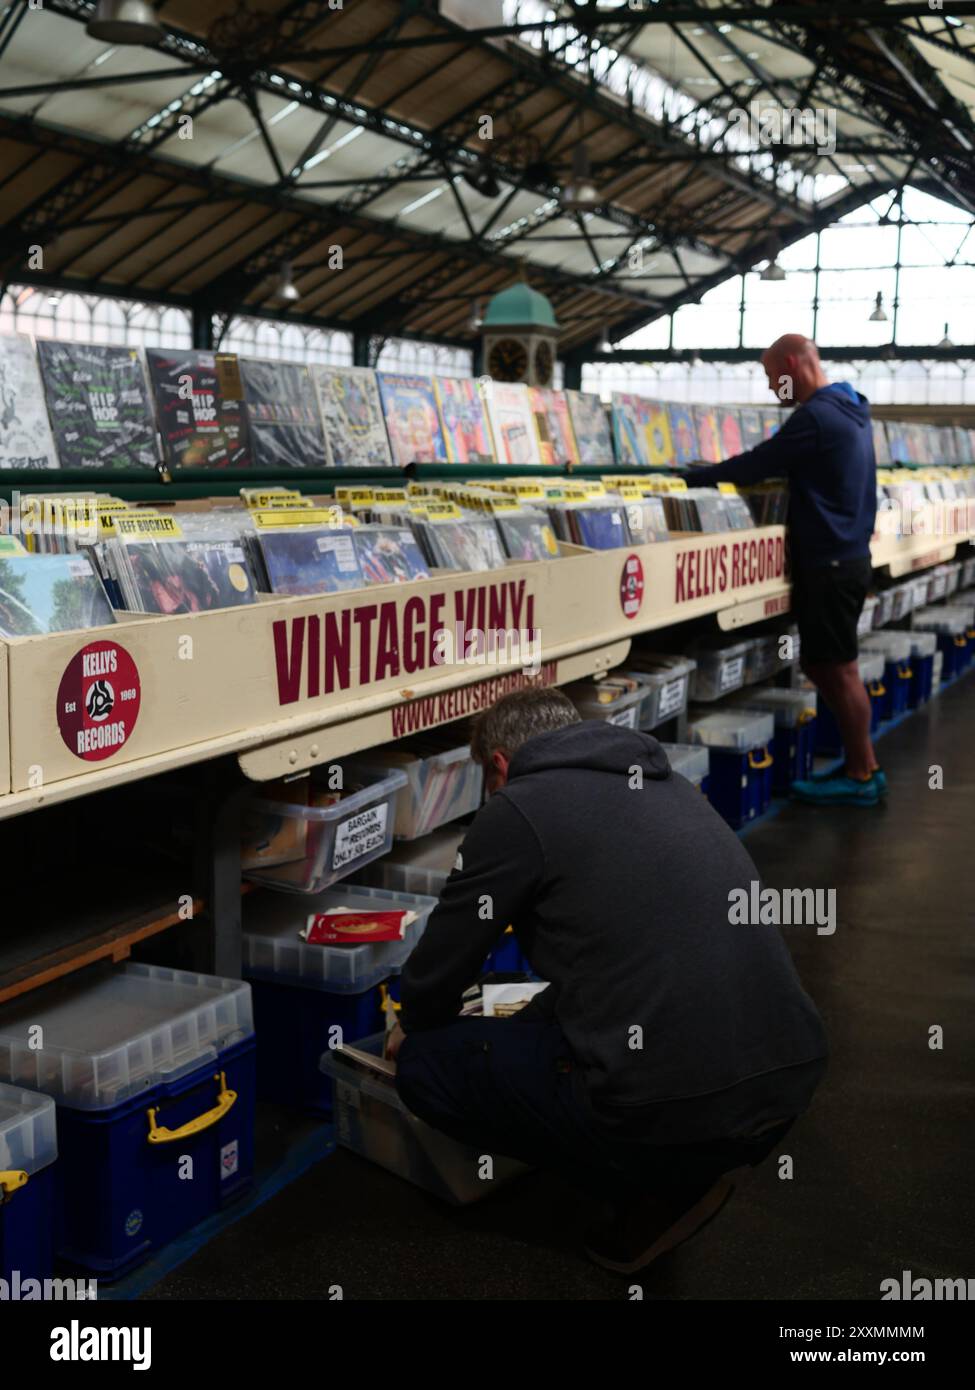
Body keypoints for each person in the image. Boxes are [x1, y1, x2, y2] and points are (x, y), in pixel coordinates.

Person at [386, 688, 828, 1274]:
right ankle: (675, 1164)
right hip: (784, 1079)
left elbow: (446, 959)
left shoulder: (519, 806)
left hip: (673, 1106)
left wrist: (408, 1024)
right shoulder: (666, 784)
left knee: (425, 1065)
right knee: (548, 1007)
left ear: (499, 765)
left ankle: (656, 1189)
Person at [688, 334, 882, 807]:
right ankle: (863, 769)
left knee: (839, 670)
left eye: (774, 376)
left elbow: (760, 463)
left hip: (830, 564)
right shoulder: (852, 409)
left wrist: (691, 478)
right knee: (829, 664)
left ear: (793, 364)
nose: (773, 386)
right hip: (848, 558)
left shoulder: (815, 416)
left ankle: (862, 773)